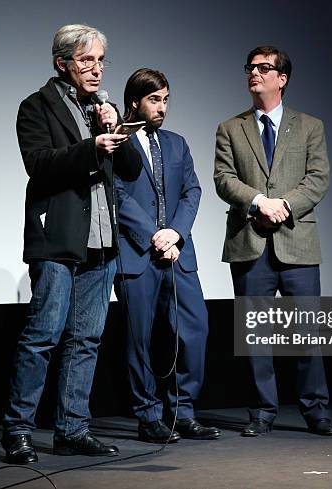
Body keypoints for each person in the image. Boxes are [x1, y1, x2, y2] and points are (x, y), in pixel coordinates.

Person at [1, 24, 141, 464]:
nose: (96, 69)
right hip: (58, 240)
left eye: (101, 61)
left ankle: (73, 428)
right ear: (62, 63)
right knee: (42, 336)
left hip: (101, 243)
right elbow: (39, 165)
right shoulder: (36, 106)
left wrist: (115, 127)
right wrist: (90, 145)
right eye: (86, 61)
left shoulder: (104, 107)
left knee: (87, 339)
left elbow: (132, 169)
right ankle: (18, 429)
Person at [213, 46, 332, 437]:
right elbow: (224, 178)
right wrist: (259, 202)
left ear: (282, 78)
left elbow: (318, 178)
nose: (254, 73)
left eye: (264, 68)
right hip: (250, 241)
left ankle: (315, 411)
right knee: (256, 335)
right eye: (250, 68)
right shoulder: (230, 128)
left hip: (296, 239)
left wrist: (284, 204)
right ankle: (262, 412)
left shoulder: (310, 126)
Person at [114, 68, 221, 443]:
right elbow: (115, 194)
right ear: (135, 102)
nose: (162, 107)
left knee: (195, 329)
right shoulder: (116, 142)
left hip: (178, 254)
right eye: (154, 99)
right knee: (138, 339)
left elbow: (192, 190)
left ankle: (183, 411)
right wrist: (153, 235)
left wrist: (175, 232)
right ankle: (148, 415)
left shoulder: (177, 143)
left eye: (166, 99)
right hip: (137, 254)